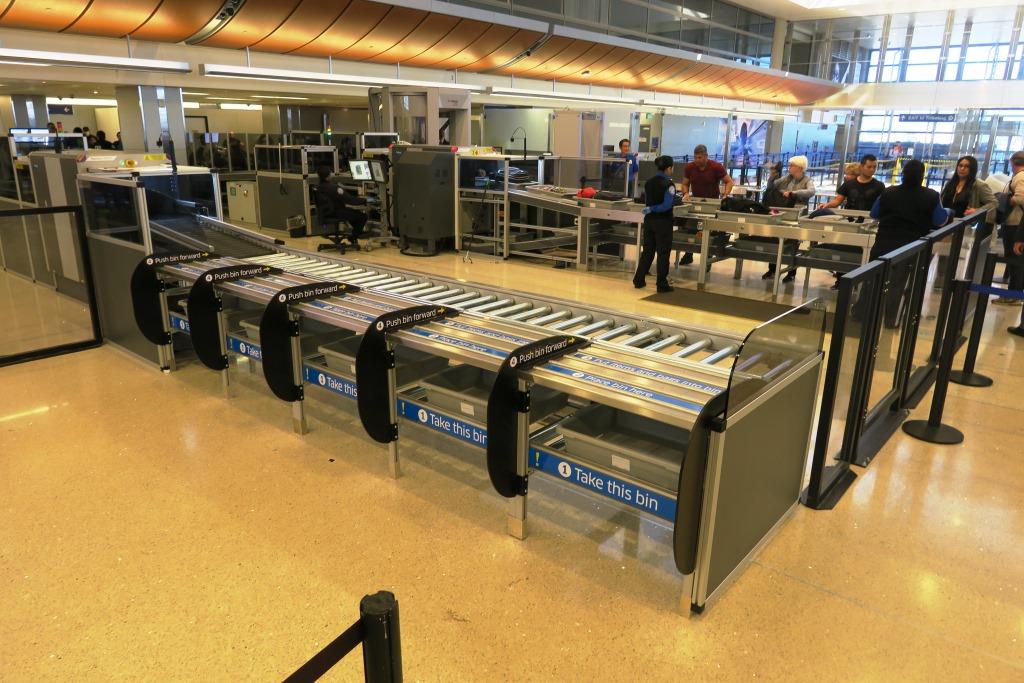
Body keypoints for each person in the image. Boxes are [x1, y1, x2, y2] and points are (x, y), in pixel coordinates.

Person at [869, 159, 951, 327]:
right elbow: (940, 220)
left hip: (883, 242)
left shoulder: (888, 192)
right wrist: (949, 211)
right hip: (911, 246)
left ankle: (864, 316)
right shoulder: (931, 195)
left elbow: (874, 213)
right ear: (922, 175)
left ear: (903, 173)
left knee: (874, 279)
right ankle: (891, 320)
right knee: (899, 284)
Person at [763, 155, 817, 282]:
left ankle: (791, 272)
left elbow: (811, 191)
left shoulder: (807, 180)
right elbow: (773, 185)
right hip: (784, 213)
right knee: (776, 240)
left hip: (797, 215)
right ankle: (772, 269)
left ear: (799, 167)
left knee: (793, 243)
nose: (789, 167)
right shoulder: (788, 178)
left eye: (792, 165)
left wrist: (794, 193)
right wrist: (772, 176)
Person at [679, 144, 734, 265]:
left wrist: (725, 194)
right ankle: (689, 254)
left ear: (706, 156)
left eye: (699, 157)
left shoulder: (716, 167)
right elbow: (684, 184)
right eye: (695, 157)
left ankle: (707, 260)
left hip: (712, 205)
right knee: (691, 229)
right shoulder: (690, 167)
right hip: (696, 203)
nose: (697, 160)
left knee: (709, 232)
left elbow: (729, 181)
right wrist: (686, 193)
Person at [633, 155, 677, 293]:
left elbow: (648, 200)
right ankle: (661, 284)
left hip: (649, 221)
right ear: (669, 168)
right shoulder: (669, 185)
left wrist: (650, 209)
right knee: (663, 253)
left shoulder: (649, 182)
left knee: (647, 251)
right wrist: (654, 208)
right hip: (663, 222)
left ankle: (639, 280)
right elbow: (667, 205)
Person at [996, 151, 1024, 306]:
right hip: (1015, 223)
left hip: (1016, 224)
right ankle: (1014, 294)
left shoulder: (1020, 177)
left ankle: (1013, 295)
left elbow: (1021, 197)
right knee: (1014, 261)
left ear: (1013, 162)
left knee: (1014, 260)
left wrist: (1006, 200)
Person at [315, 166, 367, 248]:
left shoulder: (318, 187)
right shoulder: (334, 188)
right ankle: (353, 237)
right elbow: (350, 200)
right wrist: (365, 200)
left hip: (325, 214)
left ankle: (354, 234)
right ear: (328, 176)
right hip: (336, 212)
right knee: (362, 216)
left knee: (352, 214)